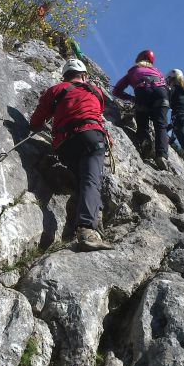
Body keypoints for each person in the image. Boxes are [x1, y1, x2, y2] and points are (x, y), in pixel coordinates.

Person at [29, 58, 112, 251]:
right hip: (92, 137)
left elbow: (36, 121)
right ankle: (86, 229)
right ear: (83, 76)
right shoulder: (96, 91)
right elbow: (97, 112)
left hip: (65, 145)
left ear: (65, 76)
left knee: (82, 181)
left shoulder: (56, 90)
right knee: (91, 181)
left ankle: (76, 222)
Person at [113, 49, 170, 170]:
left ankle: (145, 142)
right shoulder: (158, 72)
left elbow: (116, 90)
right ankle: (162, 156)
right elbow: (167, 88)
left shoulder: (133, 71)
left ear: (139, 60)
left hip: (142, 92)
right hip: (161, 93)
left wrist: (131, 98)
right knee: (161, 126)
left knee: (143, 124)